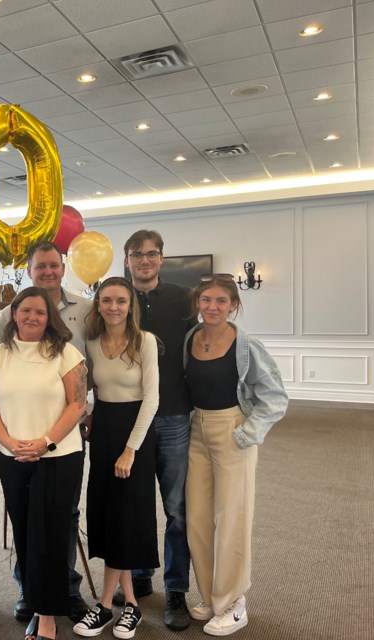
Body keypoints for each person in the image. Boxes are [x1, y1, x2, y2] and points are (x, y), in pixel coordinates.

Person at [0, 241, 93, 623]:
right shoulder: (7, 315)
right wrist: (8, 436)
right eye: (40, 267)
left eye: (54, 265)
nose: (48, 271)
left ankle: (65, 589)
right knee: (26, 519)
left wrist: (82, 416)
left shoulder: (85, 310)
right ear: (30, 270)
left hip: (69, 432)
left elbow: (94, 362)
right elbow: (1, 373)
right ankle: (28, 588)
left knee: (64, 516)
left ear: (63, 267)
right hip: (19, 440)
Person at [183, 275, 288, 637]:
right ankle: (213, 597)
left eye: (221, 301)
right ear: (198, 303)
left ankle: (234, 603)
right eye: (207, 300)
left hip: (233, 430)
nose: (213, 307)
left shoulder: (246, 345)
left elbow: (275, 397)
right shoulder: (190, 338)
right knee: (197, 517)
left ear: (233, 306)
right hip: (196, 429)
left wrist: (248, 433)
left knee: (232, 518)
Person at [72, 277, 159, 639]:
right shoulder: (91, 342)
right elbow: (93, 390)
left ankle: (106, 604)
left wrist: (130, 449)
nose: (113, 307)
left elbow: (152, 399)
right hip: (104, 429)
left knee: (126, 514)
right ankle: (133, 605)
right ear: (98, 304)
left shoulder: (146, 342)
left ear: (130, 305)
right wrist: (90, 415)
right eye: (106, 300)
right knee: (109, 513)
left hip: (135, 433)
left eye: (121, 301)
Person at [120, 230, 197, 631]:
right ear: (127, 259)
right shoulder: (116, 298)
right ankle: (139, 576)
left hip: (172, 416)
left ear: (162, 259)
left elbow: (197, 348)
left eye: (152, 254)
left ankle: (176, 591)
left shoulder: (184, 299)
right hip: (129, 419)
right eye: (137, 255)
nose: (145, 261)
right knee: (134, 505)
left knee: (176, 509)